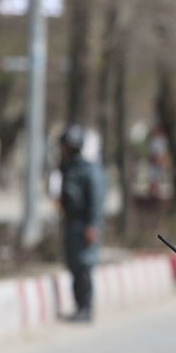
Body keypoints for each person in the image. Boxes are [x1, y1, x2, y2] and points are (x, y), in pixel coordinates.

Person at [58, 124, 105, 322]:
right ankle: (78, 306)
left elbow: (96, 199)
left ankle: (86, 307)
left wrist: (92, 225)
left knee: (84, 267)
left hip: (85, 225)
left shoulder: (88, 169)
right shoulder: (67, 168)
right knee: (74, 266)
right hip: (72, 223)